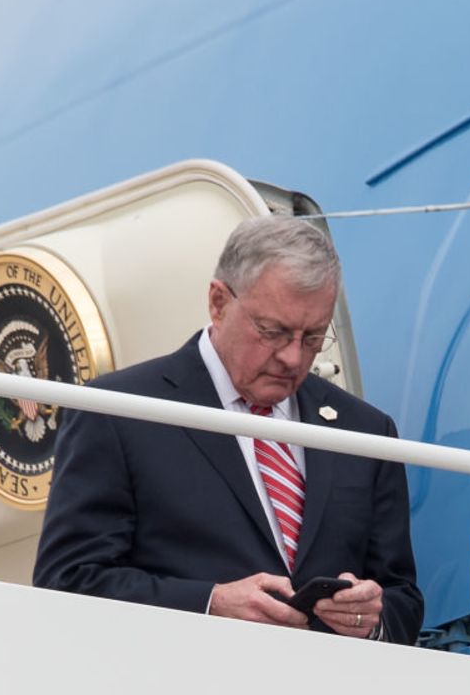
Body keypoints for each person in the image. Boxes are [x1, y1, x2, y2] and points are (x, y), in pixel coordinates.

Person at [33, 216, 423, 644]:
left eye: (313, 338)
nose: (293, 358)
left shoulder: (364, 431)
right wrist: (211, 603)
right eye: (272, 332)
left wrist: (370, 617)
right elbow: (66, 583)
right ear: (218, 302)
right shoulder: (118, 411)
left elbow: (402, 598)